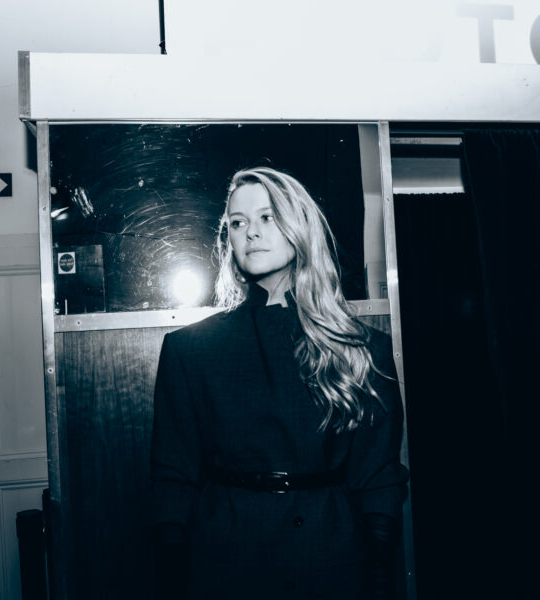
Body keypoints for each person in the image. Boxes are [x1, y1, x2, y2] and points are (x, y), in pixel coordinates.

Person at [150, 166, 409, 599]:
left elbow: (378, 479)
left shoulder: (363, 347)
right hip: (225, 565)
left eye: (267, 217)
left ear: (298, 227)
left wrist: (380, 576)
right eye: (237, 222)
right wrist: (175, 574)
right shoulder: (189, 349)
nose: (251, 232)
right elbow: (172, 480)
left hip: (332, 563)